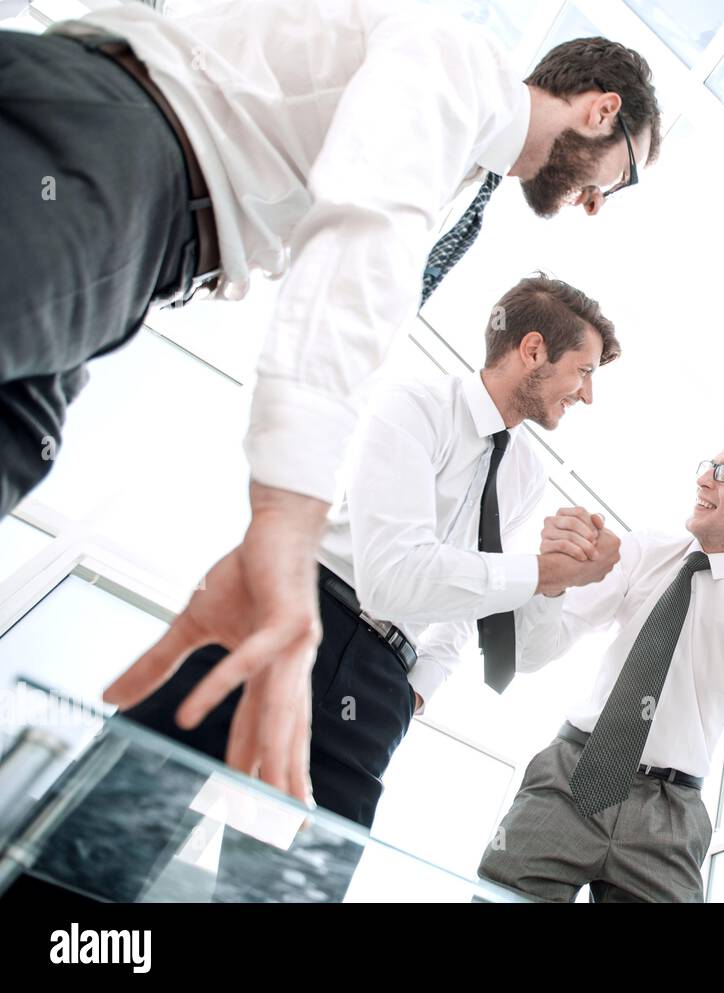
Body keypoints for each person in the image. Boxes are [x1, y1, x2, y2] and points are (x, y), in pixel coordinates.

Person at [0, 0, 663, 802]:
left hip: (147, 254)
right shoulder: (460, 71)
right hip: (117, 157)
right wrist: (283, 519)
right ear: (602, 111)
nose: (596, 202)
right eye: (617, 179)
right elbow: (362, 247)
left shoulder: (463, 161)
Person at [126, 274, 623, 827]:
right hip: (296, 616)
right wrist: (537, 569)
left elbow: (473, 607)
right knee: (133, 805)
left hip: (383, 684)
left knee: (301, 875)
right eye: (584, 371)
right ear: (534, 350)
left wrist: (415, 693)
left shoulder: (527, 473)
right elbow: (393, 575)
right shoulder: (416, 406)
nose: (588, 394)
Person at [477, 426, 724, 903]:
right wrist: (553, 579)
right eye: (706, 468)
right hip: (572, 774)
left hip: (670, 817)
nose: (704, 481)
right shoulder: (645, 550)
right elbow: (531, 655)